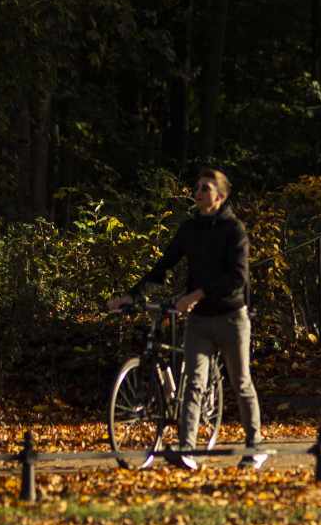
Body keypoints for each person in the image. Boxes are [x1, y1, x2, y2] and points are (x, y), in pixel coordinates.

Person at [107, 168, 266, 469]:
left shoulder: (234, 230)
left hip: (232, 317)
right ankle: (188, 451)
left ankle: (254, 446)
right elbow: (164, 264)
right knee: (193, 382)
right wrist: (133, 294)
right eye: (197, 187)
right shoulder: (190, 229)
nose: (198, 192)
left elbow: (238, 278)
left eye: (205, 188)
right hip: (200, 322)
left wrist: (196, 295)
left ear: (220, 196)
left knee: (241, 382)